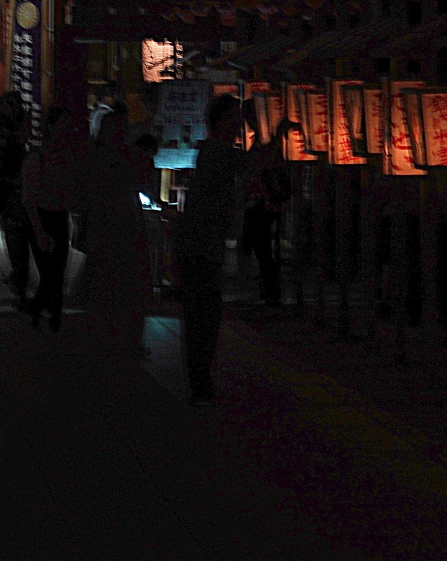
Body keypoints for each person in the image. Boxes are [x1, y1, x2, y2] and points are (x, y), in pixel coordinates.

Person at [172, 96, 288, 403]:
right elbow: (253, 163)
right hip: (200, 247)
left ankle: (200, 382)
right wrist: (274, 135)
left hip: (199, 245)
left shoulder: (214, 152)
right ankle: (200, 384)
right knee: (204, 318)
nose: (240, 125)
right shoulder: (217, 152)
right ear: (224, 121)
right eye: (236, 118)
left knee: (202, 317)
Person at [78, 108, 152, 358]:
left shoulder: (94, 158)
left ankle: (107, 337)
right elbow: (143, 181)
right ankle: (124, 338)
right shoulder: (129, 157)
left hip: (109, 228)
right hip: (123, 227)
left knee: (108, 285)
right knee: (125, 286)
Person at [19, 105, 86, 330]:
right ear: (52, 128)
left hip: (57, 218)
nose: (68, 131)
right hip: (41, 217)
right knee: (52, 272)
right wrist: (38, 230)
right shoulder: (39, 159)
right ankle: (48, 313)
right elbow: (30, 199)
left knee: (55, 270)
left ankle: (42, 311)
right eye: (63, 126)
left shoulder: (65, 159)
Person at [0, 94, 35, 310]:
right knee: (14, 235)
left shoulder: (6, 127)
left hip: (11, 185)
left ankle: (20, 282)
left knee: (16, 235)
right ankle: (19, 281)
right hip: (8, 186)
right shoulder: (2, 127)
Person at [242, 163, 290, 307]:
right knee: (264, 254)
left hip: (261, 215)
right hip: (265, 214)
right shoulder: (271, 175)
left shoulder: (264, 176)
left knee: (263, 254)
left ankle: (270, 291)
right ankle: (270, 291)